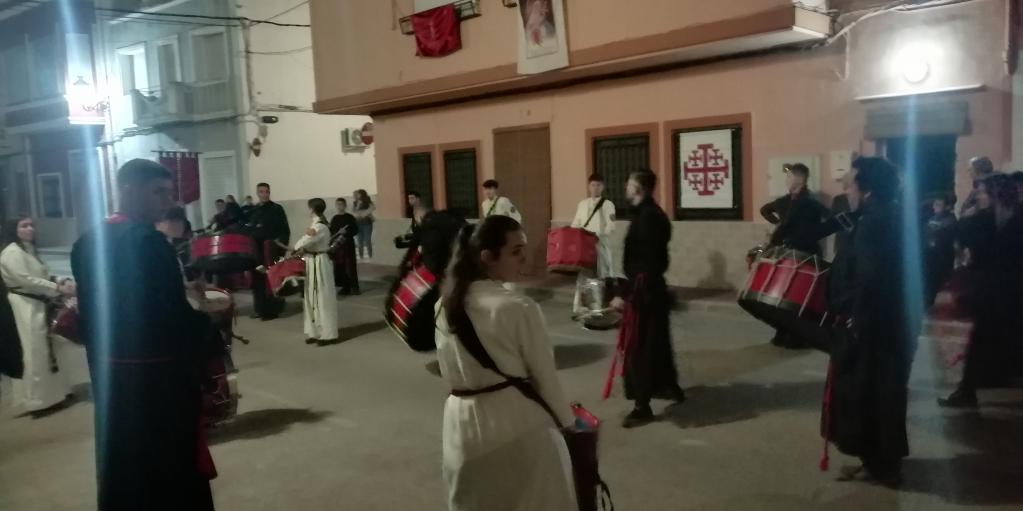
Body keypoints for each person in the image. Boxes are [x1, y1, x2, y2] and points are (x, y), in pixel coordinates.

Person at [71, 159, 220, 511]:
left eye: (169, 193)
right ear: (129, 190)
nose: (167, 202)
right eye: (158, 192)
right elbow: (170, 318)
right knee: (168, 469)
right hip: (157, 382)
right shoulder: (149, 242)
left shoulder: (87, 242)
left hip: (112, 378)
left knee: (123, 463)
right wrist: (211, 323)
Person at [435, 215, 577, 510]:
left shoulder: (443, 306)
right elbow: (545, 377)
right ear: (487, 257)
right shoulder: (518, 307)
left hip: (460, 425)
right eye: (515, 251)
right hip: (516, 423)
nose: (524, 258)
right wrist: (568, 424)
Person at [825, 157, 918, 488]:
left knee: (870, 395)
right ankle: (878, 462)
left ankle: (883, 467)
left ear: (866, 189)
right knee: (882, 393)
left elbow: (869, 278)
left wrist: (855, 323)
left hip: (873, 327)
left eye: (850, 184)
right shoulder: (894, 215)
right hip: (893, 322)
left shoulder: (873, 223)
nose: (846, 190)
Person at [609, 169, 685, 428]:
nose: (626, 187)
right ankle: (670, 387)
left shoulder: (648, 218)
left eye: (629, 184)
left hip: (644, 291)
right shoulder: (649, 214)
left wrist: (626, 294)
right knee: (657, 344)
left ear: (639, 188)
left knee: (640, 349)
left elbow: (646, 262)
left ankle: (642, 406)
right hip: (651, 289)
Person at [940, 174, 1023, 408]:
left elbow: (963, 235)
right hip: (1005, 290)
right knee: (989, 338)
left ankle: (969, 390)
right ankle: (976, 384)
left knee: (981, 340)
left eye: (982, 192)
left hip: (997, 290)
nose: (978, 196)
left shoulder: (991, 219)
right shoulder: (1008, 217)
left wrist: (970, 215)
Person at [1, 215, 75, 414]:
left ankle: (58, 393)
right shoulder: (12, 252)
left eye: (31, 225)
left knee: (52, 348)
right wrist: (57, 288)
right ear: (14, 230)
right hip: (25, 305)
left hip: (39, 303)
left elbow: (42, 273)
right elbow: (27, 280)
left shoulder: (28, 249)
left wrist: (61, 281)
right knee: (35, 350)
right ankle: (38, 401)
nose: (30, 229)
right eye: (24, 226)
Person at [759, 163, 829, 348]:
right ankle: (783, 332)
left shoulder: (811, 203)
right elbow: (765, 210)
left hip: (805, 253)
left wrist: (812, 234)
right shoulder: (783, 201)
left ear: (800, 179)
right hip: (787, 252)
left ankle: (799, 336)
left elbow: (830, 218)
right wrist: (777, 224)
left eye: (789, 176)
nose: (787, 180)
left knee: (798, 296)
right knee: (783, 294)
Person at [293, 198, 340, 346]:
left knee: (322, 298)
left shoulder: (319, 226)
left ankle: (328, 334)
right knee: (311, 298)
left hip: (319, 262)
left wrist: (300, 245)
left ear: (312, 209)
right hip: (311, 261)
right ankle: (314, 332)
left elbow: (301, 243)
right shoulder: (316, 224)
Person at [570, 173, 617, 318]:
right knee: (582, 277)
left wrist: (599, 235)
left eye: (598, 185)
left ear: (602, 187)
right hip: (584, 246)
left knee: (600, 277)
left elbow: (611, 225)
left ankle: (597, 309)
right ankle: (579, 308)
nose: (595, 188)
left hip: (599, 245)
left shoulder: (608, 204)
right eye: (592, 185)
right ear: (589, 186)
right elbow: (576, 223)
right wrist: (573, 236)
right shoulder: (582, 204)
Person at [247, 183, 290, 320]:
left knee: (272, 280)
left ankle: (272, 311)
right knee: (258, 281)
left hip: (271, 251)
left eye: (266, 191)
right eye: (261, 192)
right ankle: (259, 309)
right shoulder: (253, 210)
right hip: (257, 252)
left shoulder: (277, 209)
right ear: (257, 193)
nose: (264, 194)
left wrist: (278, 246)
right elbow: (249, 229)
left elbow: (285, 231)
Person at [923, 195, 957, 309]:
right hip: (932, 258)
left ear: (946, 207)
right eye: (934, 204)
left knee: (939, 285)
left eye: (938, 204)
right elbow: (927, 233)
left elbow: (943, 235)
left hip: (942, 258)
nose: (935, 207)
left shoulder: (950, 219)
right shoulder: (932, 219)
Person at [329, 198, 360, 295]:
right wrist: (338, 232)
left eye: (341, 204)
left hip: (348, 245)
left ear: (345, 205)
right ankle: (345, 287)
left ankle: (355, 287)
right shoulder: (335, 218)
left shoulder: (350, 217)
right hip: (338, 247)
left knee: (350, 266)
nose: (339, 206)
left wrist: (346, 232)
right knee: (340, 266)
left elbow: (355, 230)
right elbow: (331, 231)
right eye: (337, 204)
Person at [352, 189, 376, 260]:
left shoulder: (367, 201)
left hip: (367, 223)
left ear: (362, 194)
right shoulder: (355, 202)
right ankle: (361, 257)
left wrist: (363, 213)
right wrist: (358, 205)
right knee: (360, 242)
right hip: (358, 223)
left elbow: (373, 208)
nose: (357, 195)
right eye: (356, 194)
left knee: (368, 241)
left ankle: (370, 256)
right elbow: (353, 211)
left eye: (358, 194)